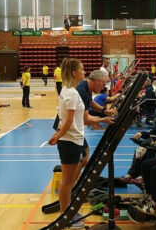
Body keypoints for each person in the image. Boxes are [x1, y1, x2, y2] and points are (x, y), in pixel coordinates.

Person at [47, 58, 85, 228]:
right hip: (69, 141)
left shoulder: (69, 91)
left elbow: (68, 119)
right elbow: (68, 121)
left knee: (69, 180)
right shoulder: (71, 93)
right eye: (82, 69)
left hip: (73, 140)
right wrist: (58, 136)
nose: (84, 72)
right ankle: (65, 216)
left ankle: (68, 212)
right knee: (67, 181)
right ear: (74, 73)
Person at [75, 70, 116, 178]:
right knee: (82, 158)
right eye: (103, 84)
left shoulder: (86, 86)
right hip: (70, 128)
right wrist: (103, 120)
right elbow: (85, 120)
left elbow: (91, 102)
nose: (103, 88)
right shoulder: (82, 91)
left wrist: (104, 111)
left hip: (75, 127)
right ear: (97, 81)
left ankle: (79, 180)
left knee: (86, 152)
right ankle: (73, 185)